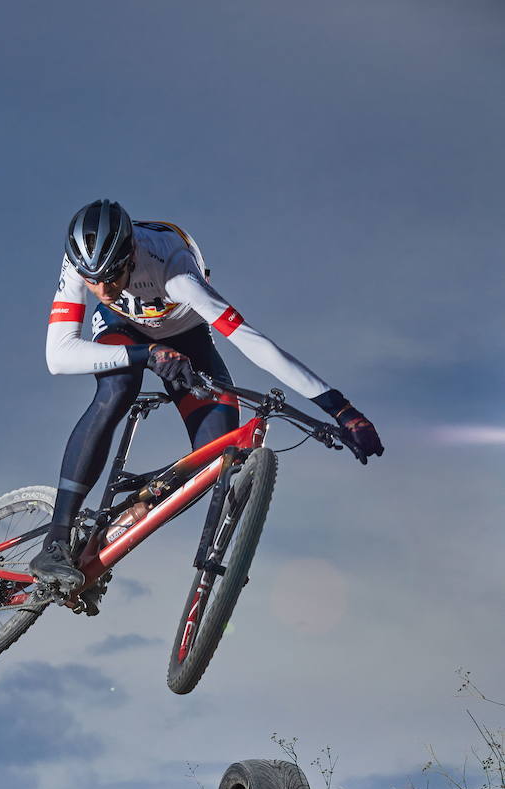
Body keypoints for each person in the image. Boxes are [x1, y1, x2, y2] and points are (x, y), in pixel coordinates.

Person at [30, 199, 384, 592]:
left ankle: (119, 527)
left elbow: (253, 342)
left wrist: (341, 409)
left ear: (130, 254)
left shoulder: (175, 269)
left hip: (187, 337)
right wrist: (145, 354)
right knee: (119, 386)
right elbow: (58, 356)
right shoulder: (81, 263)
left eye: (111, 278)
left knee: (214, 456)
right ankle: (56, 542)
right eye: (91, 279)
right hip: (124, 330)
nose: (101, 288)